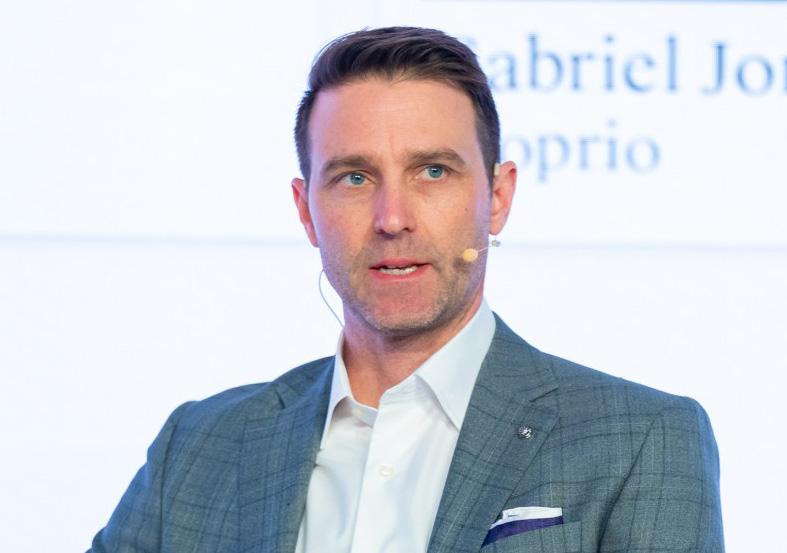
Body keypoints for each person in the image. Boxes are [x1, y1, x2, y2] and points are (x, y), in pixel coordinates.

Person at [88, 27, 724, 553]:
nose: (393, 217)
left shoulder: (641, 440)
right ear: (306, 211)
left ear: (498, 198)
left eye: (433, 171)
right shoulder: (198, 447)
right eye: (355, 177)